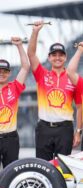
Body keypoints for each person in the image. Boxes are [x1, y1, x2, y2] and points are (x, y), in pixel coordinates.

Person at [27, 20, 82, 160]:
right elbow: (31, 55)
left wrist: (78, 132)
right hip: (44, 128)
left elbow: (80, 107)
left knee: (63, 167)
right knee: (42, 166)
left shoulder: (73, 77)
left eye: (61, 55)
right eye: (54, 55)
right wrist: (35, 32)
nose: (57, 58)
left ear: (65, 57)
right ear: (49, 57)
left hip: (65, 129)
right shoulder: (42, 74)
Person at [0, 37, 29, 167]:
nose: (2, 74)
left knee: (11, 172)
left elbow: (25, 67)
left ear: (9, 73)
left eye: (5, 71)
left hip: (10, 138)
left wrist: (19, 46)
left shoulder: (14, 87)